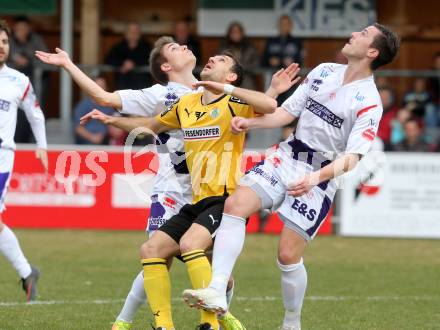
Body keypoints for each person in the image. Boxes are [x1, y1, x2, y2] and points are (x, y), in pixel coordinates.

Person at [183, 23, 400, 330]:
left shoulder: (369, 101)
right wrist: (250, 123)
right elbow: (287, 113)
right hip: (286, 155)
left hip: (320, 172)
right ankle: (217, 290)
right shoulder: (324, 70)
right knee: (235, 206)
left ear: (372, 51)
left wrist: (314, 179)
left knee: (287, 255)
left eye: (362, 34)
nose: (353, 35)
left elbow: (352, 158)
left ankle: (291, 323)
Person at [80, 52, 299, 330]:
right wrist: (111, 120)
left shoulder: (234, 102)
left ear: (231, 77)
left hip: (226, 199)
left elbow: (269, 104)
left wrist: (233, 89)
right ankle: (164, 326)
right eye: (213, 57)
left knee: (190, 245)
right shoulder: (187, 103)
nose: (211, 59)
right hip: (195, 201)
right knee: (151, 249)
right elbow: (150, 126)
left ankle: (210, 324)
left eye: (221, 61)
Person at [0, 20, 48, 302]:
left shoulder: (19, 81)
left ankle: (26, 271)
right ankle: (27, 271)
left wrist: (42, 146)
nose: (1, 47)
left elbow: (35, 113)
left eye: (4, 42)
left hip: (2, 157)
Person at [105, 22, 152, 90]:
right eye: (130, 31)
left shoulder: (146, 46)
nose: (133, 33)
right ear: (125, 33)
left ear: (139, 33)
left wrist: (134, 63)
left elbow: (152, 60)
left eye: (135, 31)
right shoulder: (118, 47)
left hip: (142, 86)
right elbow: (108, 60)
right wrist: (122, 63)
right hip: (123, 85)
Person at [73, 75, 115, 145]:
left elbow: (113, 124)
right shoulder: (83, 105)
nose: (100, 90)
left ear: (106, 88)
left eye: (102, 87)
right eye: (98, 87)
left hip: (106, 142)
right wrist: (92, 137)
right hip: (85, 144)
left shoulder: (110, 106)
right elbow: (78, 128)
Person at [217, 22, 260, 90]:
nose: (235, 34)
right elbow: (219, 64)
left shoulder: (250, 47)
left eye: (237, 32)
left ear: (242, 33)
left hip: (246, 78)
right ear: (229, 34)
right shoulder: (223, 48)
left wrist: (239, 69)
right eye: (233, 32)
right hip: (228, 79)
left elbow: (256, 64)